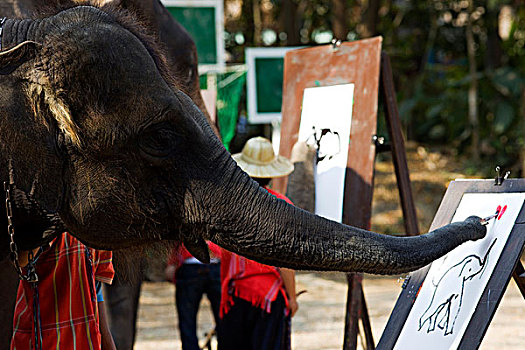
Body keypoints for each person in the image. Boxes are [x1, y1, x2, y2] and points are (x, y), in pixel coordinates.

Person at [218, 136, 299, 350]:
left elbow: (218, 252)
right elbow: (285, 261)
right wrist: (292, 297)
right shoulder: (282, 206)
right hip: (268, 297)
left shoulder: (227, 205)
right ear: (271, 172)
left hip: (236, 295)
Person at [11, 232, 116, 350]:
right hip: (42, 337)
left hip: (85, 339)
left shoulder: (94, 231)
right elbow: (22, 260)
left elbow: (97, 293)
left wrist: (108, 343)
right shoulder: (47, 222)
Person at [165, 242, 222, 350]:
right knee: (223, 319)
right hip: (215, 264)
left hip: (190, 266)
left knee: (187, 320)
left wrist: (172, 262)